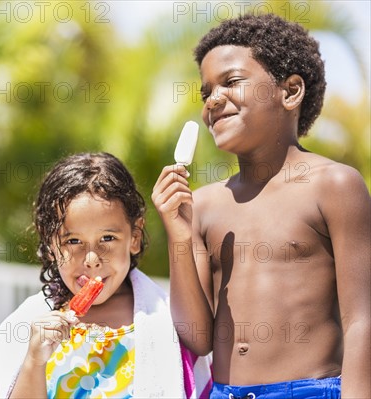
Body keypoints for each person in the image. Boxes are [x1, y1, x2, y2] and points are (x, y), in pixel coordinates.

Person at [152, 13, 370, 399]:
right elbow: (197, 337)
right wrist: (178, 235)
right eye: (206, 93)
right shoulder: (202, 204)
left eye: (232, 82)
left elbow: (361, 320)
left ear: (289, 92)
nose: (214, 100)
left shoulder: (335, 185)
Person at [0, 152, 212, 399]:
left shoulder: (164, 316)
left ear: (134, 238)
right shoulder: (32, 325)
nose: (92, 260)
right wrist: (33, 361)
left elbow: (201, 341)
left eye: (107, 238)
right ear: (51, 247)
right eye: (73, 241)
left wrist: (179, 237)